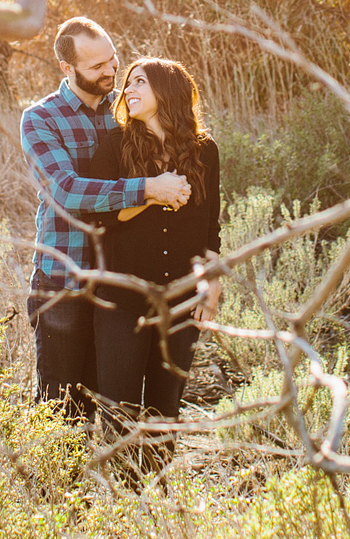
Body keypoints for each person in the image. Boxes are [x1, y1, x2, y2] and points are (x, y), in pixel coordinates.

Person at [21, 18, 191, 418]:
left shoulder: (127, 110)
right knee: (61, 410)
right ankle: (56, 483)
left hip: (119, 282)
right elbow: (66, 190)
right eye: (97, 66)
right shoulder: (41, 119)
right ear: (68, 68)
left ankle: (119, 478)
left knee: (114, 404)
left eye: (113, 60)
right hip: (65, 280)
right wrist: (149, 188)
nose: (111, 72)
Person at [78, 57, 222, 424]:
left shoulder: (205, 151)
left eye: (139, 82)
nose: (128, 90)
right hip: (121, 301)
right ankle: (126, 483)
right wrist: (154, 194)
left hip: (180, 300)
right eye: (128, 83)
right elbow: (100, 214)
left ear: (166, 90)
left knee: (165, 409)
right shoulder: (115, 145)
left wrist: (213, 284)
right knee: (119, 410)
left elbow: (210, 228)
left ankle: (157, 482)